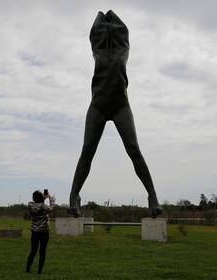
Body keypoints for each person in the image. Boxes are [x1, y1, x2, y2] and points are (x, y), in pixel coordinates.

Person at [68, 9, 163, 218]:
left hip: (121, 106)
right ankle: (73, 197)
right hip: (98, 106)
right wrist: (102, 15)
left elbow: (121, 28)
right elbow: (96, 29)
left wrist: (110, 15)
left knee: (134, 149)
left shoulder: (124, 50)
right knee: (87, 150)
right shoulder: (97, 51)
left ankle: (153, 196)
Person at [25, 189, 55, 274]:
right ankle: (39, 271)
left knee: (33, 250)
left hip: (34, 232)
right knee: (42, 251)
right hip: (44, 232)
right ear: (41, 198)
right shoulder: (43, 206)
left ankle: (27, 269)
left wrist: (42, 198)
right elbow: (51, 208)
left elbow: (37, 204)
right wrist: (51, 198)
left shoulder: (30, 205)